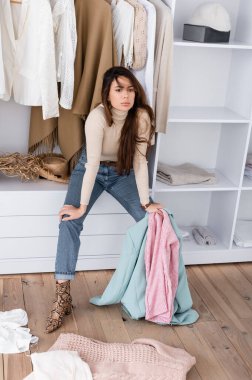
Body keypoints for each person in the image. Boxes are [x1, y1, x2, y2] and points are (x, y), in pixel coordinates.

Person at [46, 66, 163, 333]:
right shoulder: (97, 117)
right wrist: (81, 207)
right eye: (119, 89)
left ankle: (147, 290)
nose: (126, 95)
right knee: (69, 221)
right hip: (92, 170)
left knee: (152, 221)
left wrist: (146, 202)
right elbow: (92, 164)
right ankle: (62, 294)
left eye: (131, 89)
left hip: (123, 173)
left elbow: (139, 161)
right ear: (107, 94)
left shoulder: (142, 116)